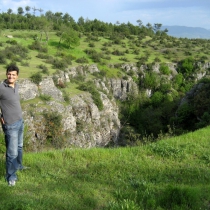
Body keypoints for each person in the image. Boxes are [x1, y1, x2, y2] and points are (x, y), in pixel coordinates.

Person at [0, 65, 25, 186]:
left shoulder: (17, 86)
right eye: (9, 74)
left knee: (20, 147)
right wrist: (0, 116)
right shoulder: (1, 87)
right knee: (12, 153)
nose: (11, 76)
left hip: (20, 121)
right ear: (6, 74)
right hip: (10, 125)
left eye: (13, 75)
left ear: (17, 76)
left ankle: (19, 166)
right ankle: (11, 177)